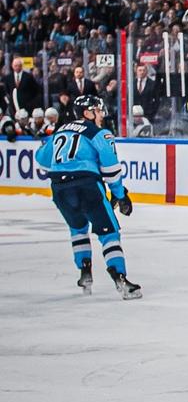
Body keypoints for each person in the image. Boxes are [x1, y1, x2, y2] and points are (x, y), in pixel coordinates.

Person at [34, 95, 141, 299]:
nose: (101, 114)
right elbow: (110, 170)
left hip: (59, 187)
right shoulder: (99, 133)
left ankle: (85, 272)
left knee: (78, 227)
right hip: (87, 185)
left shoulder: (60, 131)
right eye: (98, 110)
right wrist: (121, 195)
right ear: (87, 113)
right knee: (109, 232)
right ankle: (120, 278)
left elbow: (42, 159)